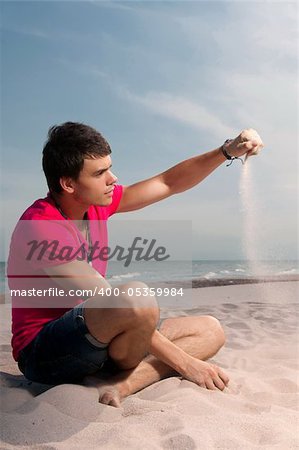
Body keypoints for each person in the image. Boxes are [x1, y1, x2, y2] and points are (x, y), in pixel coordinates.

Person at [7, 122, 264, 407]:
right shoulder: (40, 227)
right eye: (100, 173)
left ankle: (127, 384)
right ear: (68, 184)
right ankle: (139, 370)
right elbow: (110, 300)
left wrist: (226, 151)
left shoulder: (96, 204)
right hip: (46, 353)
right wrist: (188, 364)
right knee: (135, 297)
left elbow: (168, 182)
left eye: (109, 167)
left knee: (211, 330)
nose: (113, 178)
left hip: (100, 338)